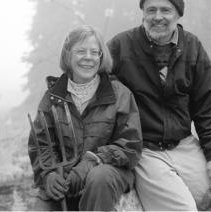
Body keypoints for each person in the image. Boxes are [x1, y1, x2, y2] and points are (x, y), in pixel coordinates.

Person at [108, 0, 211, 211]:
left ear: (178, 14)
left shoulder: (193, 48)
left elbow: (206, 108)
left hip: (184, 145)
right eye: (151, 10)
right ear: (142, 14)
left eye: (166, 10)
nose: (158, 16)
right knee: (183, 209)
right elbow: (92, 79)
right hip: (146, 150)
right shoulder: (121, 46)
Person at [28, 25, 142, 211]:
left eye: (94, 52)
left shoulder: (119, 93)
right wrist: (48, 174)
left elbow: (130, 145)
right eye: (81, 51)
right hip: (66, 177)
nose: (88, 57)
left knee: (99, 178)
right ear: (68, 55)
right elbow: (41, 143)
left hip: (108, 171)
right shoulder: (53, 97)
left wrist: (92, 160)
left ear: (101, 57)